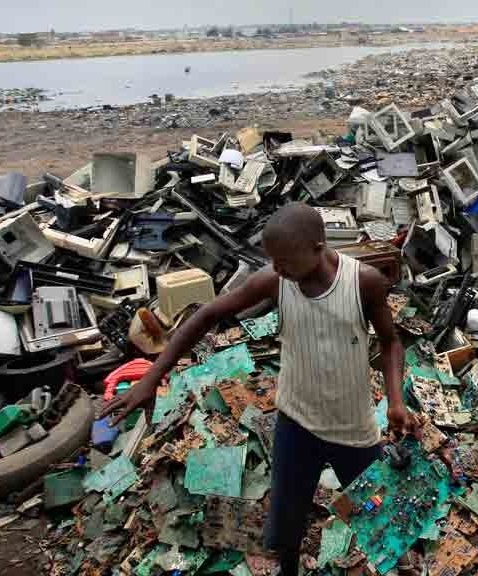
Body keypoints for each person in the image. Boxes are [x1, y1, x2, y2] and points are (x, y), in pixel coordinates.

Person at [99, 202, 416, 576]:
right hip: (296, 425)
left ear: (317, 248)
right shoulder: (276, 281)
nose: (278, 270)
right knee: (286, 523)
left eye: (285, 261)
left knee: (380, 520)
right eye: (273, 261)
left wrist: (396, 401)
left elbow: (391, 342)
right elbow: (206, 315)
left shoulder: (364, 282)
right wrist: (152, 378)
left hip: (354, 430)